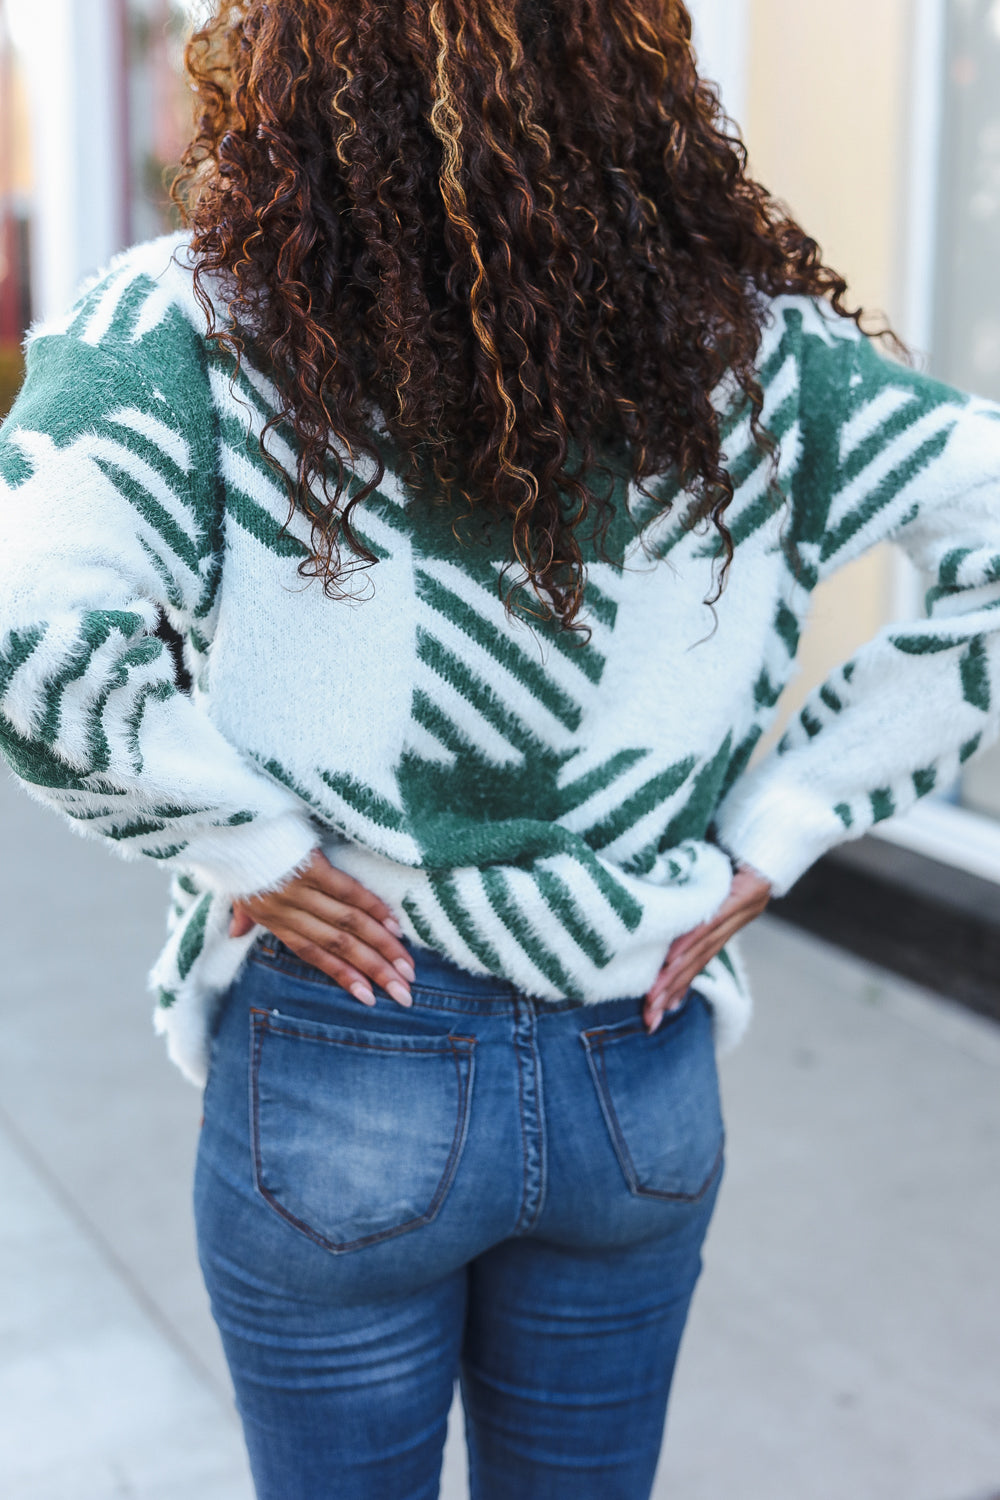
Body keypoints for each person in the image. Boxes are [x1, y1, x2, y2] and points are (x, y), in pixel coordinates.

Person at [1, 2, 999, 1496]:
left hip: (346, 1039)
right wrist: (784, 824)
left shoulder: (187, 333)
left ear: (288, 68)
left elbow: (27, 630)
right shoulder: (755, 357)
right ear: (634, 69)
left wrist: (244, 846)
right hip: (635, 1058)